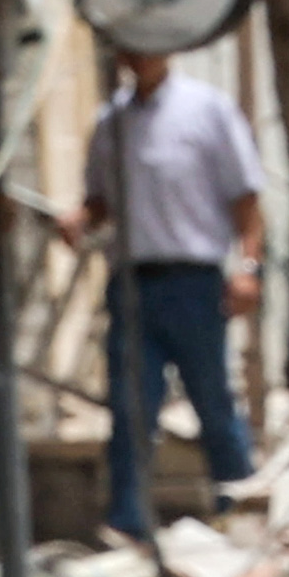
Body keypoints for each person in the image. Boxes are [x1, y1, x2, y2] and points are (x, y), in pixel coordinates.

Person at [63, 46, 267, 544]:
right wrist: (80, 218)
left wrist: (248, 268)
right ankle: (129, 520)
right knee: (132, 407)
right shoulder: (111, 122)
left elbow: (246, 198)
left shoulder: (207, 110)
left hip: (194, 281)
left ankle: (240, 507)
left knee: (212, 400)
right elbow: (100, 201)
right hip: (132, 283)